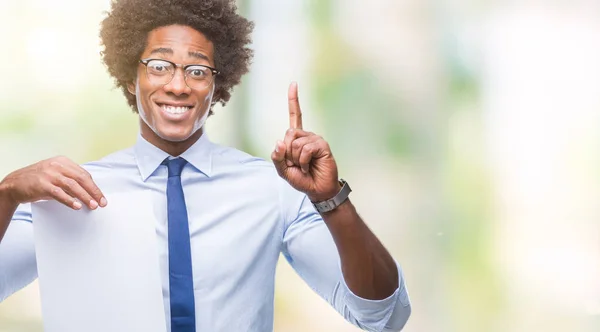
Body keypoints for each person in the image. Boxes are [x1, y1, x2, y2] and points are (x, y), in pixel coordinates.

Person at [0, 0, 411, 331]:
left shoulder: (272, 189)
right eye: (159, 66)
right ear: (131, 77)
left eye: (197, 70)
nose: (178, 85)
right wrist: (6, 195)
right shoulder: (69, 193)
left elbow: (383, 317)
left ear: (217, 85)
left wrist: (333, 200)